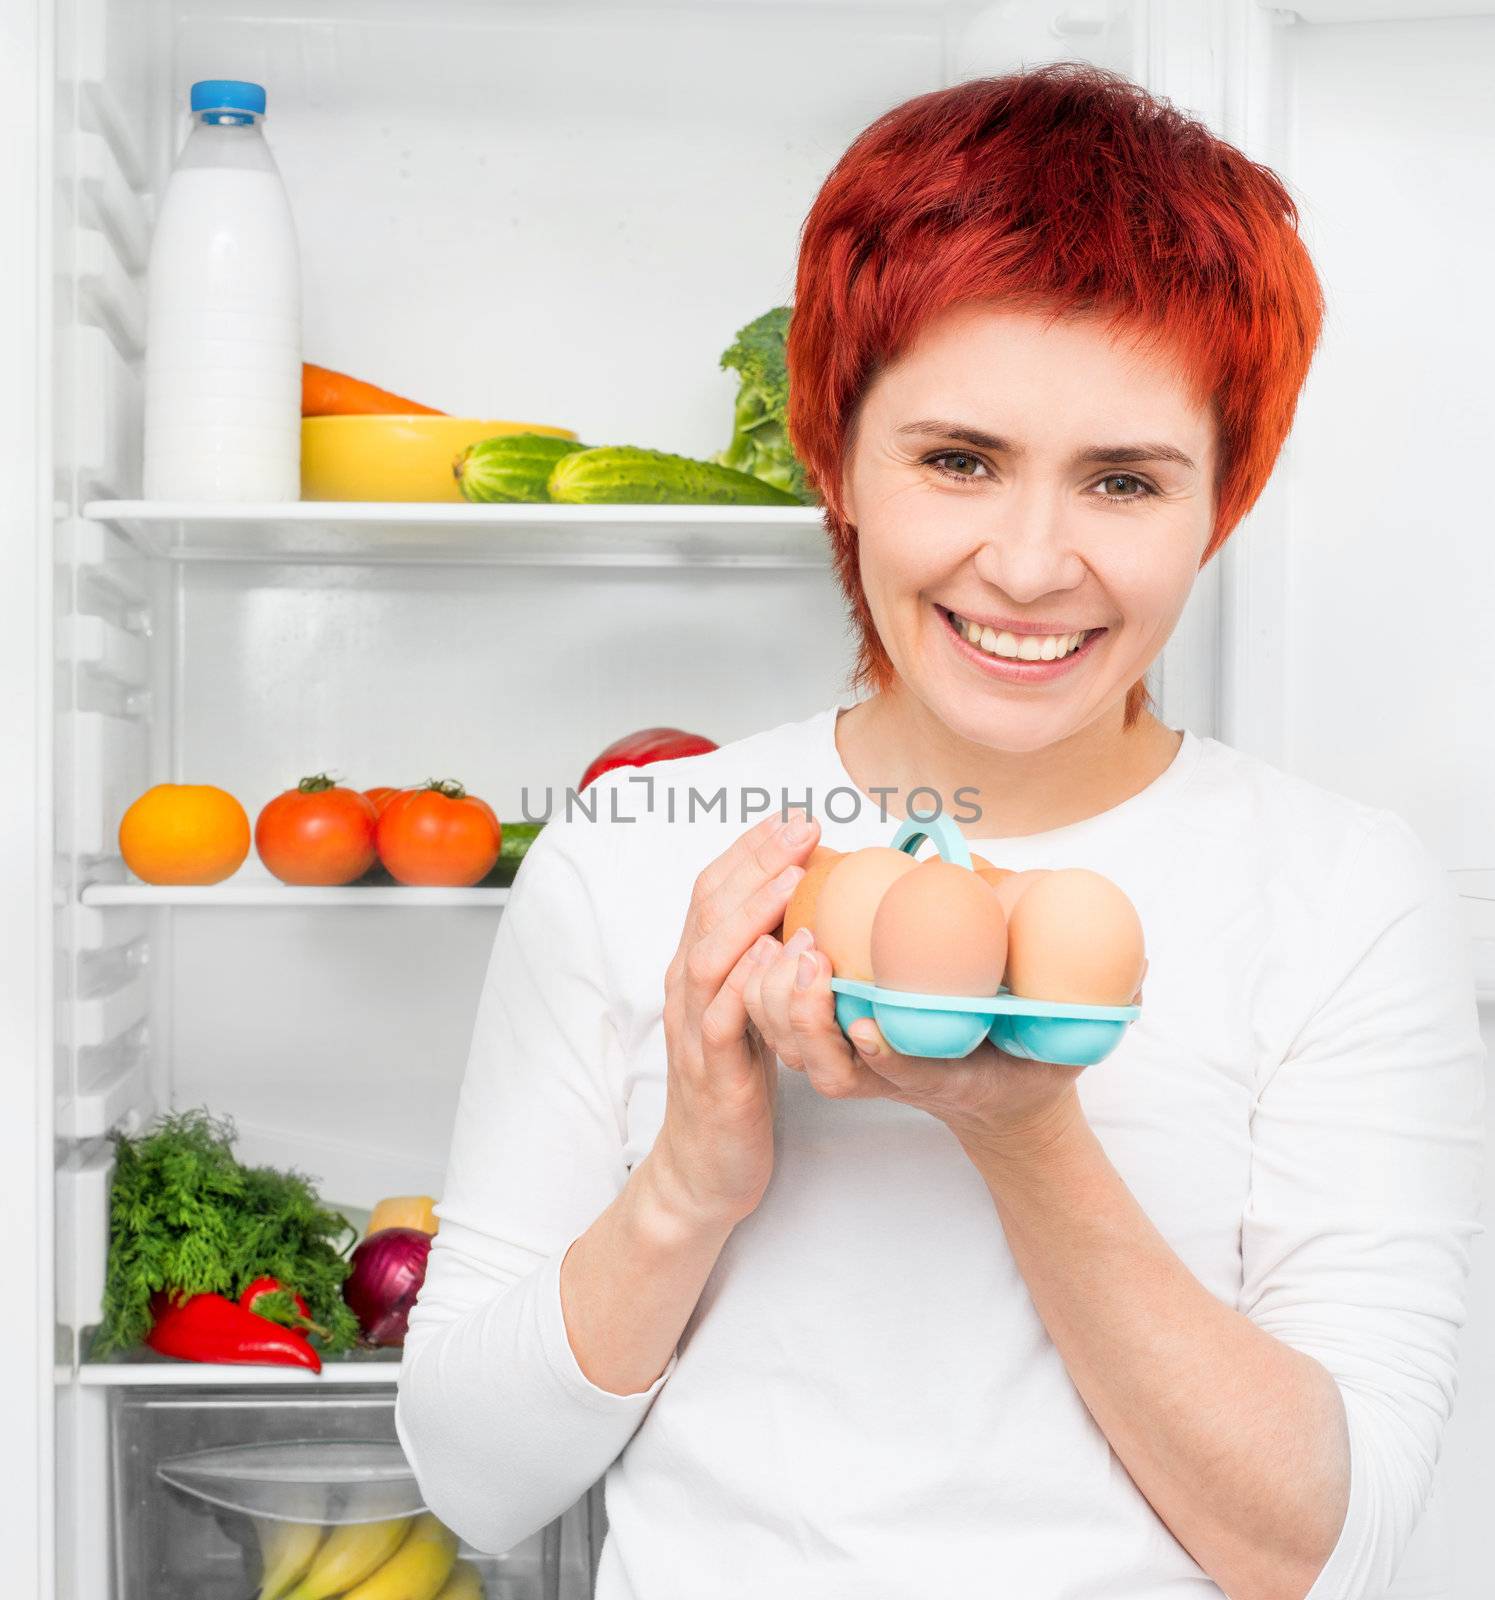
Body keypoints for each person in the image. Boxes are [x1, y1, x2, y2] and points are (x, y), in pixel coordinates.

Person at [395, 63, 1486, 1600]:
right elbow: (476, 1482)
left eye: (1123, 479)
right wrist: (696, 1174)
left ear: (1222, 505)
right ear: (833, 454)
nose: (1032, 563)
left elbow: (1329, 1553)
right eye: (957, 460)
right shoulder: (641, 856)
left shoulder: (1343, 894)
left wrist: (1026, 1136)